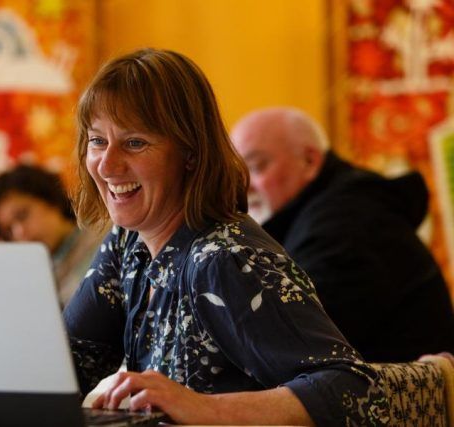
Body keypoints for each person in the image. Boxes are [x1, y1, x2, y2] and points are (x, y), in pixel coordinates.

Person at [63, 48, 389, 426]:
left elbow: (355, 393)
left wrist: (201, 408)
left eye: (135, 142)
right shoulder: (126, 244)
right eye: (97, 141)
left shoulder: (225, 259)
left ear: (190, 153)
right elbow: (68, 366)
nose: (107, 165)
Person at [230, 107, 454, 363]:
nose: (244, 188)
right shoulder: (327, 214)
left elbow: (292, 341)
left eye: (257, 167)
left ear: (310, 161)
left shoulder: (347, 224)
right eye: (238, 174)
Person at [0, 164, 102, 306]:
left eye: (22, 215)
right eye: (9, 231)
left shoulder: (106, 242)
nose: (19, 232)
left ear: (51, 199)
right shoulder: (37, 277)